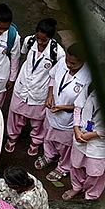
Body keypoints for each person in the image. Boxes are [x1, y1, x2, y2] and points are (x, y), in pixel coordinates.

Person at [64, 64, 105, 201]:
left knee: (96, 173)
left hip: (100, 143)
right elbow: (78, 107)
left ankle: (91, 196)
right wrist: (76, 128)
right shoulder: (89, 87)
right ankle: (77, 187)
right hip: (81, 135)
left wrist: (95, 134)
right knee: (76, 165)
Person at [6, 18, 63, 156]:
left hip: (39, 91)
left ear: (50, 38)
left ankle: (35, 142)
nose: (39, 42)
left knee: (38, 120)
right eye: (38, 38)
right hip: (23, 85)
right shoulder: (29, 41)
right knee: (15, 114)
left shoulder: (58, 53)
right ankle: (12, 137)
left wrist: (50, 94)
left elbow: (55, 76)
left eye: (43, 40)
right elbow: (23, 54)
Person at [35, 44, 91, 183]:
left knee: (65, 144)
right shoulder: (62, 63)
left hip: (69, 118)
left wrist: (63, 107)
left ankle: (64, 166)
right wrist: (50, 95)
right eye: (67, 60)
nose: (68, 64)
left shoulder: (88, 77)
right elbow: (52, 77)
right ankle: (49, 154)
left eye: (73, 63)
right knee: (48, 135)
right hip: (53, 110)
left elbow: (84, 104)